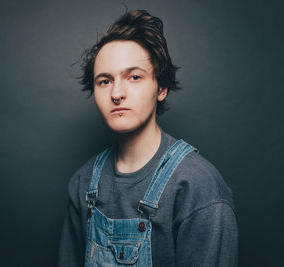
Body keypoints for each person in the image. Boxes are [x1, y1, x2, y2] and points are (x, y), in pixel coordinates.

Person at [57, 9, 238, 267]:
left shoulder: (198, 188)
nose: (117, 93)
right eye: (105, 81)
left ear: (161, 88)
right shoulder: (82, 183)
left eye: (134, 77)